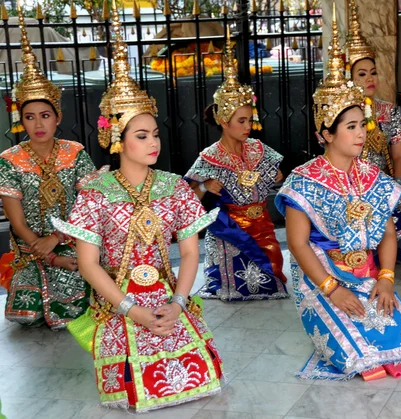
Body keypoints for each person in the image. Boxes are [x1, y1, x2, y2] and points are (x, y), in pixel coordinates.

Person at [52, 5, 224, 412]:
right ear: (117, 139)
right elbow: (90, 265)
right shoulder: (95, 191)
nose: (153, 143)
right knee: (136, 385)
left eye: (155, 134)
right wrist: (132, 311)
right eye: (141, 135)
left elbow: (188, 251)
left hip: (166, 296)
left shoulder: (173, 186)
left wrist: (178, 303)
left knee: (200, 379)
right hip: (118, 302)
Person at [275, 7, 401, 381]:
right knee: (359, 355)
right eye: (351, 127)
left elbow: (388, 232)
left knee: (399, 339)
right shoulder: (303, 180)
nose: (360, 134)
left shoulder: (372, 175)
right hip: (321, 276)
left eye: (362, 125)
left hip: (365, 271)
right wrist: (332, 288)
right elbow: (299, 245)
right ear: (325, 133)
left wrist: (386, 277)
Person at [0, 4, 97, 329]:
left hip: (74, 238)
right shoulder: (10, 160)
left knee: (79, 292)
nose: (38, 124)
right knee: (25, 313)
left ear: (57, 117)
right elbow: (16, 222)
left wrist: (57, 238)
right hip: (32, 246)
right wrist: (48, 252)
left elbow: (89, 205)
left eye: (45, 115)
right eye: (30, 116)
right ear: (21, 121)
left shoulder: (75, 152)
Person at [185, 30, 288, 302]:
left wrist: (275, 176)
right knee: (235, 280)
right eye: (241, 120)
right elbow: (189, 198)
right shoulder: (209, 156)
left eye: (250, 120)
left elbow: (277, 175)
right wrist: (206, 186)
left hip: (262, 224)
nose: (248, 127)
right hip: (230, 229)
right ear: (223, 120)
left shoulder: (258, 148)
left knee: (272, 280)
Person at [345, 0, 401, 261]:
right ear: (348, 79)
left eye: (373, 73)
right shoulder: (338, 116)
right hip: (350, 190)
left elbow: (399, 156)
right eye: (362, 74)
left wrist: (397, 188)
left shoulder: (388, 111)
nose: (370, 79)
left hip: (384, 188)